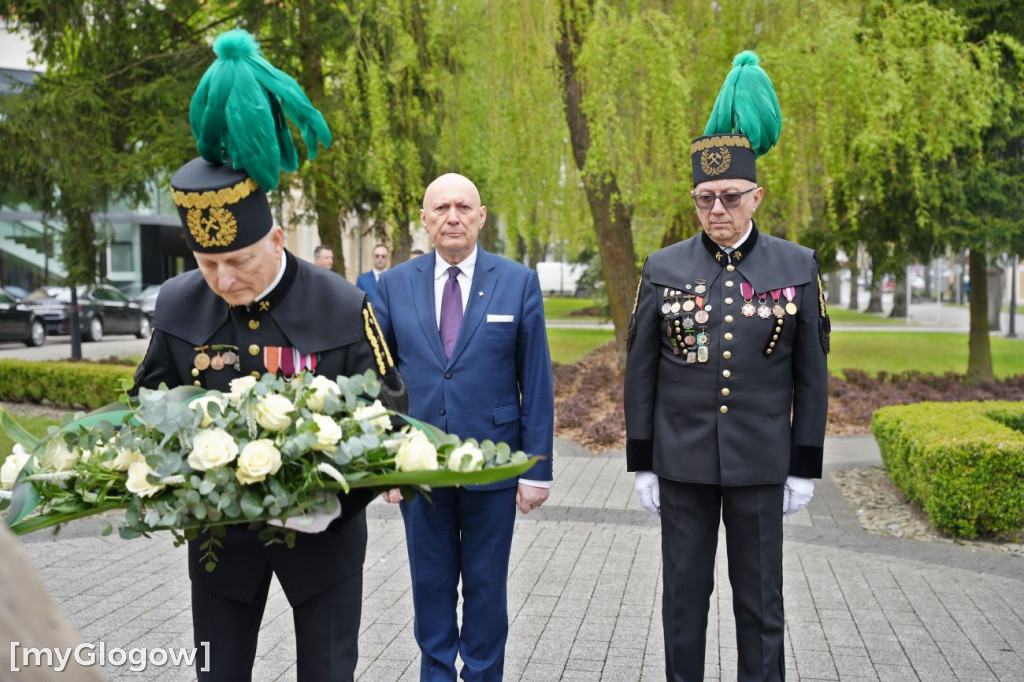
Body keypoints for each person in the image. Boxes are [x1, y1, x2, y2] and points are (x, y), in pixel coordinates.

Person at [132, 29, 406, 681]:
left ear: (278, 238)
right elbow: (146, 404)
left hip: (324, 543)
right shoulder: (177, 305)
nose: (224, 280)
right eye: (208, 264)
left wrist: (325, 493)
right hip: (221, 543)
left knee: (328, 672)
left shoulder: (341, 305)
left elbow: (389, 413)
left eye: (239, 262)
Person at [624, 52, 830, 682]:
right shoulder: (664, 267)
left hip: (762, 465)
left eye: (730, 197)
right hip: (682, 465)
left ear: (755, 196)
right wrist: (642, 460)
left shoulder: (796, 266)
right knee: (683, 604)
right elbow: (640, 371)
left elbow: (811, 376)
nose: (717, 210)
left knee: (761, 604)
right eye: (705, 198)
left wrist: (805, 464)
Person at [373, 173, 555, 681]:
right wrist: (386, 461)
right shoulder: (393, 285)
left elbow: (536, 380)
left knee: (485, 589)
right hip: (419, 469)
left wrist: (537, 469)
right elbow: (381, 380)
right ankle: (435, 674)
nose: (452, 217)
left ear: (480, 217)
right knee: (429, 588)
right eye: (441, 208)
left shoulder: (517, 282)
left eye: (463, 207)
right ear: (425, 220)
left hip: (494, 468)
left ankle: (482, 675)